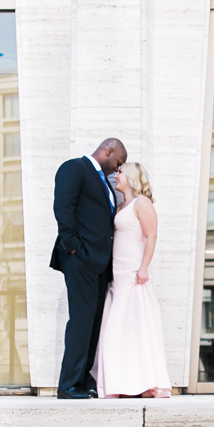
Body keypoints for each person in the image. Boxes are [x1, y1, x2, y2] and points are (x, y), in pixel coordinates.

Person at [50, 138, 127, 399]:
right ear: (108, 150)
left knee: (93, 323)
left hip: (99, 264)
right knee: (81, 320)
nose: (117, 170)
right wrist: (74, 248)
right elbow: (63, 208)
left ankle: (83, 380)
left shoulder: (103, 181)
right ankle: (67, 385)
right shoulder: (74, 168)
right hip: (81, 259)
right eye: (118, 163)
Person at [93, 162, 172, 398]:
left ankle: (146, 382)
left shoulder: (142, 203)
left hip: (134, 274)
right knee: (120, 331)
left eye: (119, 173)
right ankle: (123, 384)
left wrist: (144, 267)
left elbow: (151, 236)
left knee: (138, 328)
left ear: (131, 177)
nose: (115, 176)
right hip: (118, 275)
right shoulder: (121, 206)